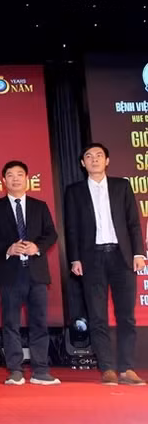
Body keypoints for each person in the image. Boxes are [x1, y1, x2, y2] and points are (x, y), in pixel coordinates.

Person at [64, 143, 146, 385]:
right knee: (97, 316)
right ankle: (107, 368)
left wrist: (139, 253)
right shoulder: (74, 191)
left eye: (99, 156)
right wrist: (75, 258)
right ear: (82, 164)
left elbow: (133, 222)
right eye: (89, 157)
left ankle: (127, 368)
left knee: (126, 316)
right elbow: (71, 228)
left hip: (122, 257)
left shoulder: (122, 186)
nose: (94, 160)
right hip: (92, 259)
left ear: (107, 161)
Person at [0, 161, 60, 385]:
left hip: (37, 273)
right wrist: (8, 247)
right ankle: (15, 370)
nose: (15, 179)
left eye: (19, 174)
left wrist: (37, 247)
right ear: (4, 181)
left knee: (39, 322)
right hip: (10, 273)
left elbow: (51, 234)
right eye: (10, 175)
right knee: (10, 323)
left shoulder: (40, 205)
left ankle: (41, 370)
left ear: (27, 179)